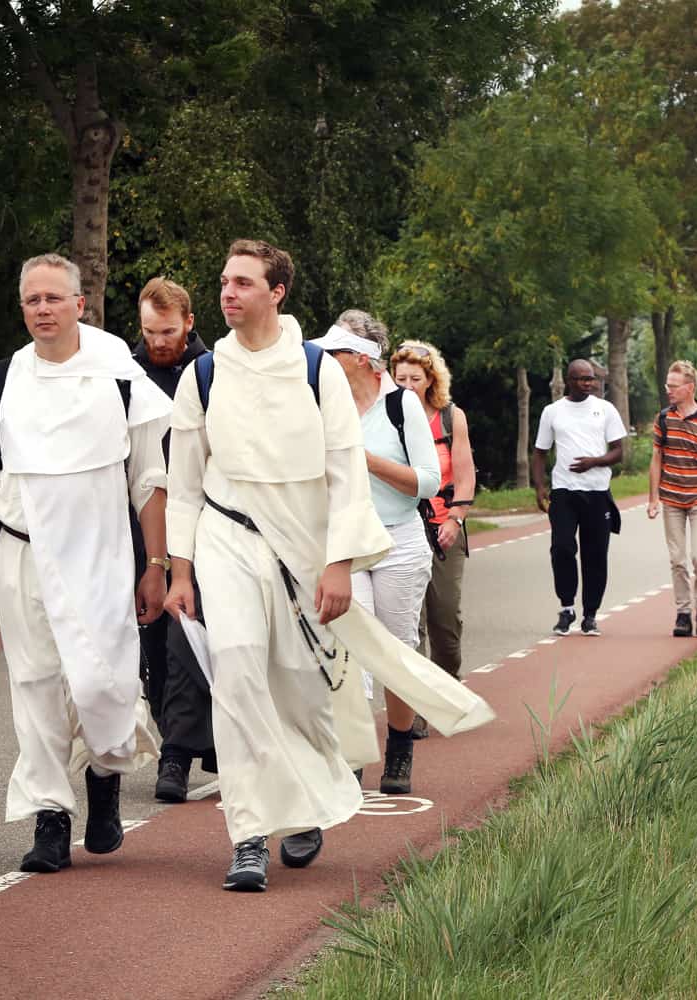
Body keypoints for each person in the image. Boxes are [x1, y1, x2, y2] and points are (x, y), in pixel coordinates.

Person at [163, 240, 491, 892]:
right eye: (224, 281)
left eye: (243, 283)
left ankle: (312, 798)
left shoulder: (317, 373)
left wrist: (338, 564)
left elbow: (345, 474)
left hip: (304, 550)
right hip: (227, 539)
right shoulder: (203, 375)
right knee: (236, 674)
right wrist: (179, 570)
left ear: (276, 291)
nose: (228, 293)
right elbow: (184, 481)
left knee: (299, 688)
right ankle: (250, 834)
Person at [0, 253, 171, 874]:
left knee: (103, 680)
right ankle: (50, 815)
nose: (42, 310)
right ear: (22, 309)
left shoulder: (120, 377)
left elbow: (151, 481)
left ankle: (104, 777)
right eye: (31, 301)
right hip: (23, 554)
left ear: (80, 304)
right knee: (37, 684)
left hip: (101, 552)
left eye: (53, 298)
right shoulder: (0, 382)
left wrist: (157, 564)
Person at [313, 311, 440, 795]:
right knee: (350, 650)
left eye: (335, 352)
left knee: (395, 652)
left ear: (364, 360)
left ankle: (401, 747)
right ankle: (353, 756)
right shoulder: (323, 403)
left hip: (399, 539)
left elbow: (427, 482)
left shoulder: (400, 405)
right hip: (347, 544)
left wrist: (363, 460)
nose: (324, 360)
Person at [130, 277, 216, 804]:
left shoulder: (212, 371)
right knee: (152, 646)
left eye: (166, 331)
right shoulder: (125, 375)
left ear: (187, 322)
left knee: (187, 637)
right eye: (148, 331)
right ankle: (172, 733)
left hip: (203, 522)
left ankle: (177, 757)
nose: (158, 341)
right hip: (140, 525)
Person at [390, 340, 476, 740]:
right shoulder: (386, 415)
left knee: (445, 618)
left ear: (430, 380)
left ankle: (448, 687)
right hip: (400, 528)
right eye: (400, 377)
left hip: (443, 526)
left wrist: (456, 517)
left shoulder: (449, 417)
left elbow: (464, 472)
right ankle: (418, 707)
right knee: (411, 623)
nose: (406, 385)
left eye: (415, 378)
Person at [531, 359, 627, 638]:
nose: (590, 383)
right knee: (561, 548)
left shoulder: (605, 409)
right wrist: (539, 487)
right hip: (564, 492)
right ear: (569, 382)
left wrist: (595, 462)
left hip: (597, 492)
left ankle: (590, 615)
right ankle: (566, 607)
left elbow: (619, 451)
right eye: (583, 379)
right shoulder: (553, 412)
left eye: (592, 379)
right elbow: (540, 453)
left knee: (595, 555)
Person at [647, 360, 697, 637]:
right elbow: (657, 457)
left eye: (673, 386)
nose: (668, 390)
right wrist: (653, 498)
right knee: (678, 559)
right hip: (671, 497)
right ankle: (683, 613)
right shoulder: (664, 419)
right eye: (667, 385)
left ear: (689, 387)